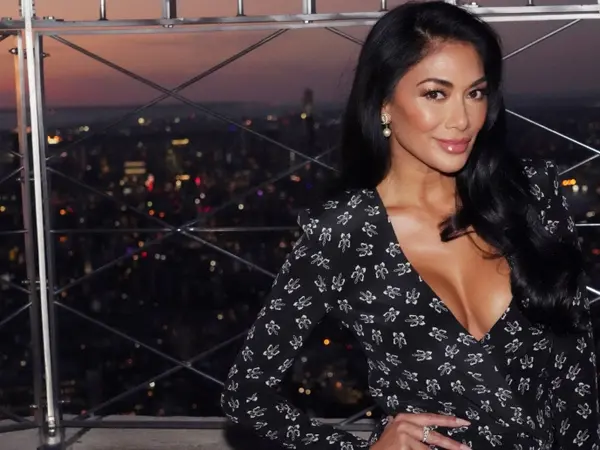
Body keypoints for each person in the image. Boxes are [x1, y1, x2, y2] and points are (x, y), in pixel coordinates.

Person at [220, 1, 600, 449]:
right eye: (435, 94)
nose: (462, 120)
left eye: (475, 93)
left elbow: (578, 376)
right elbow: (246, 395)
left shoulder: (532, 196)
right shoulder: (345, 233)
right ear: (384, 103)